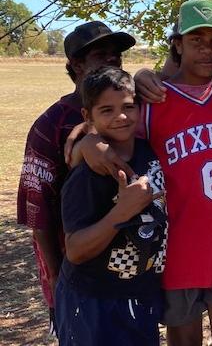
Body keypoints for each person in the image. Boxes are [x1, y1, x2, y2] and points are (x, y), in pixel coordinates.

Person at [71, 0, 212, 346]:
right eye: (195, 40)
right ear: (177, 43)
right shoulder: (152, 102)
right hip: (179, 249)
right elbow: (113, 127)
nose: (207, 50)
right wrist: (88, 138)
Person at [16, 21, 135, 335]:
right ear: (77, 65)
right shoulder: (50, 125)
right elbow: (38, 210)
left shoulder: (130, 111)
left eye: (116, 55)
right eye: (101, 54)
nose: (112, 60)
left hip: (128, 269)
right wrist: (57, 279)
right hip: (76, 273)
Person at [56, 67, 167, 345]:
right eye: (106, 110)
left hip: (138, 294)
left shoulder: (148, 151)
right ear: (87, 117)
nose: (120, 117)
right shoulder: (89, 174)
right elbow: (75, 250)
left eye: (128, 107)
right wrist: (122, 212)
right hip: (94, 299)